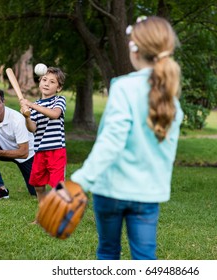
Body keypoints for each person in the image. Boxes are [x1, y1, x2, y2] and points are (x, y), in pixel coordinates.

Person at [70, 16, 184, 260]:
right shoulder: (172, 100)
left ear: (134, 50)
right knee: (145, 259)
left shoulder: (123, 87)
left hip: (110, 191)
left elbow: (111, 142)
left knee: (108, 252)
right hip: (147, 195)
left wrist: (80, 180)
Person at [0, 88, 36, 201]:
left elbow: (23, 152)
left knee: (35, 193)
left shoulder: (17, 119)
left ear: (4, 102)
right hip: (5, 149)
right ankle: (1, 189)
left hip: (27, 156)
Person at [19, 67, 67, 205]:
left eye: (52, 82)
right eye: (44, 80)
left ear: (58, 88)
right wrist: (26, 116)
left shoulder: (59, 100)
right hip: (39, 151)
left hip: (56, 150)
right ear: (39, 82)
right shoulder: (36, 105)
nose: (47, 83)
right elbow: (32, 128)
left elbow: (54, 114)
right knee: (38, 186)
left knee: (58, 186)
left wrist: (31, 105)